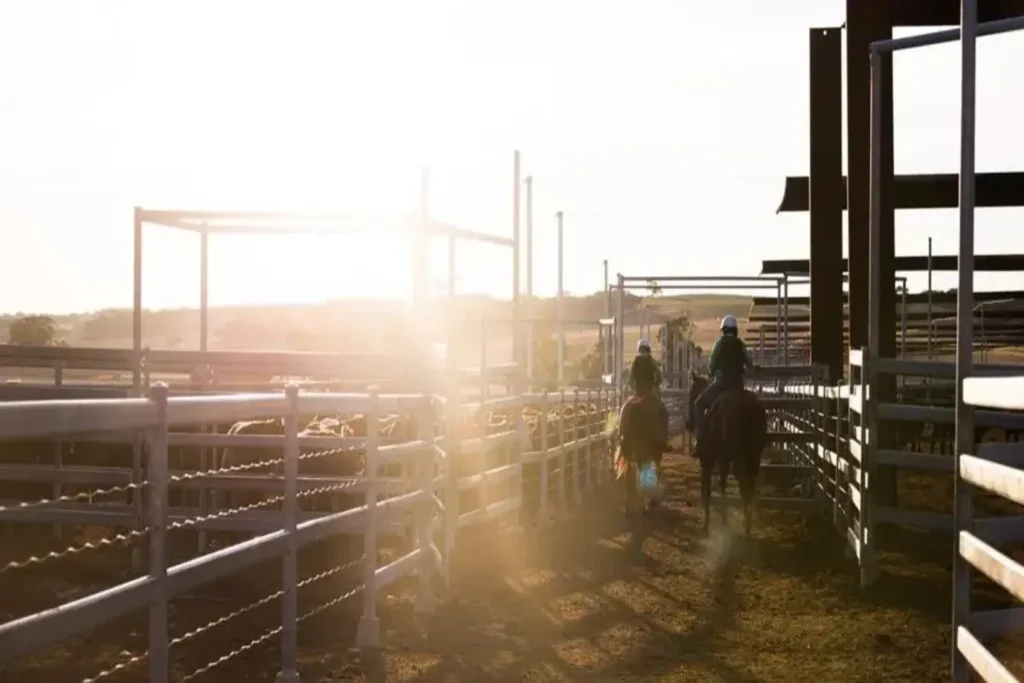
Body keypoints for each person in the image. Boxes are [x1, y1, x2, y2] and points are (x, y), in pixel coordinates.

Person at [617, 353, 669, 511]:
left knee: (624, 411)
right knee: (663, 412)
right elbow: (659, 379)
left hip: (637, 394)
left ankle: (621, 437)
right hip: (649, 394)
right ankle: (663, 440)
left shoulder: (635, 363)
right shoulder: (652, 363)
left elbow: (631, 380)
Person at [691, 314, 754, 447]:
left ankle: (701, 439)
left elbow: (712, 365)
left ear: (723, 329)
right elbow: (749, 363)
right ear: (735, 330)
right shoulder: (741, 344)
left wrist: (710, 373)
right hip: (738, 385)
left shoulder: (719, 344)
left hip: (721, 385)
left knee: (699, 404)